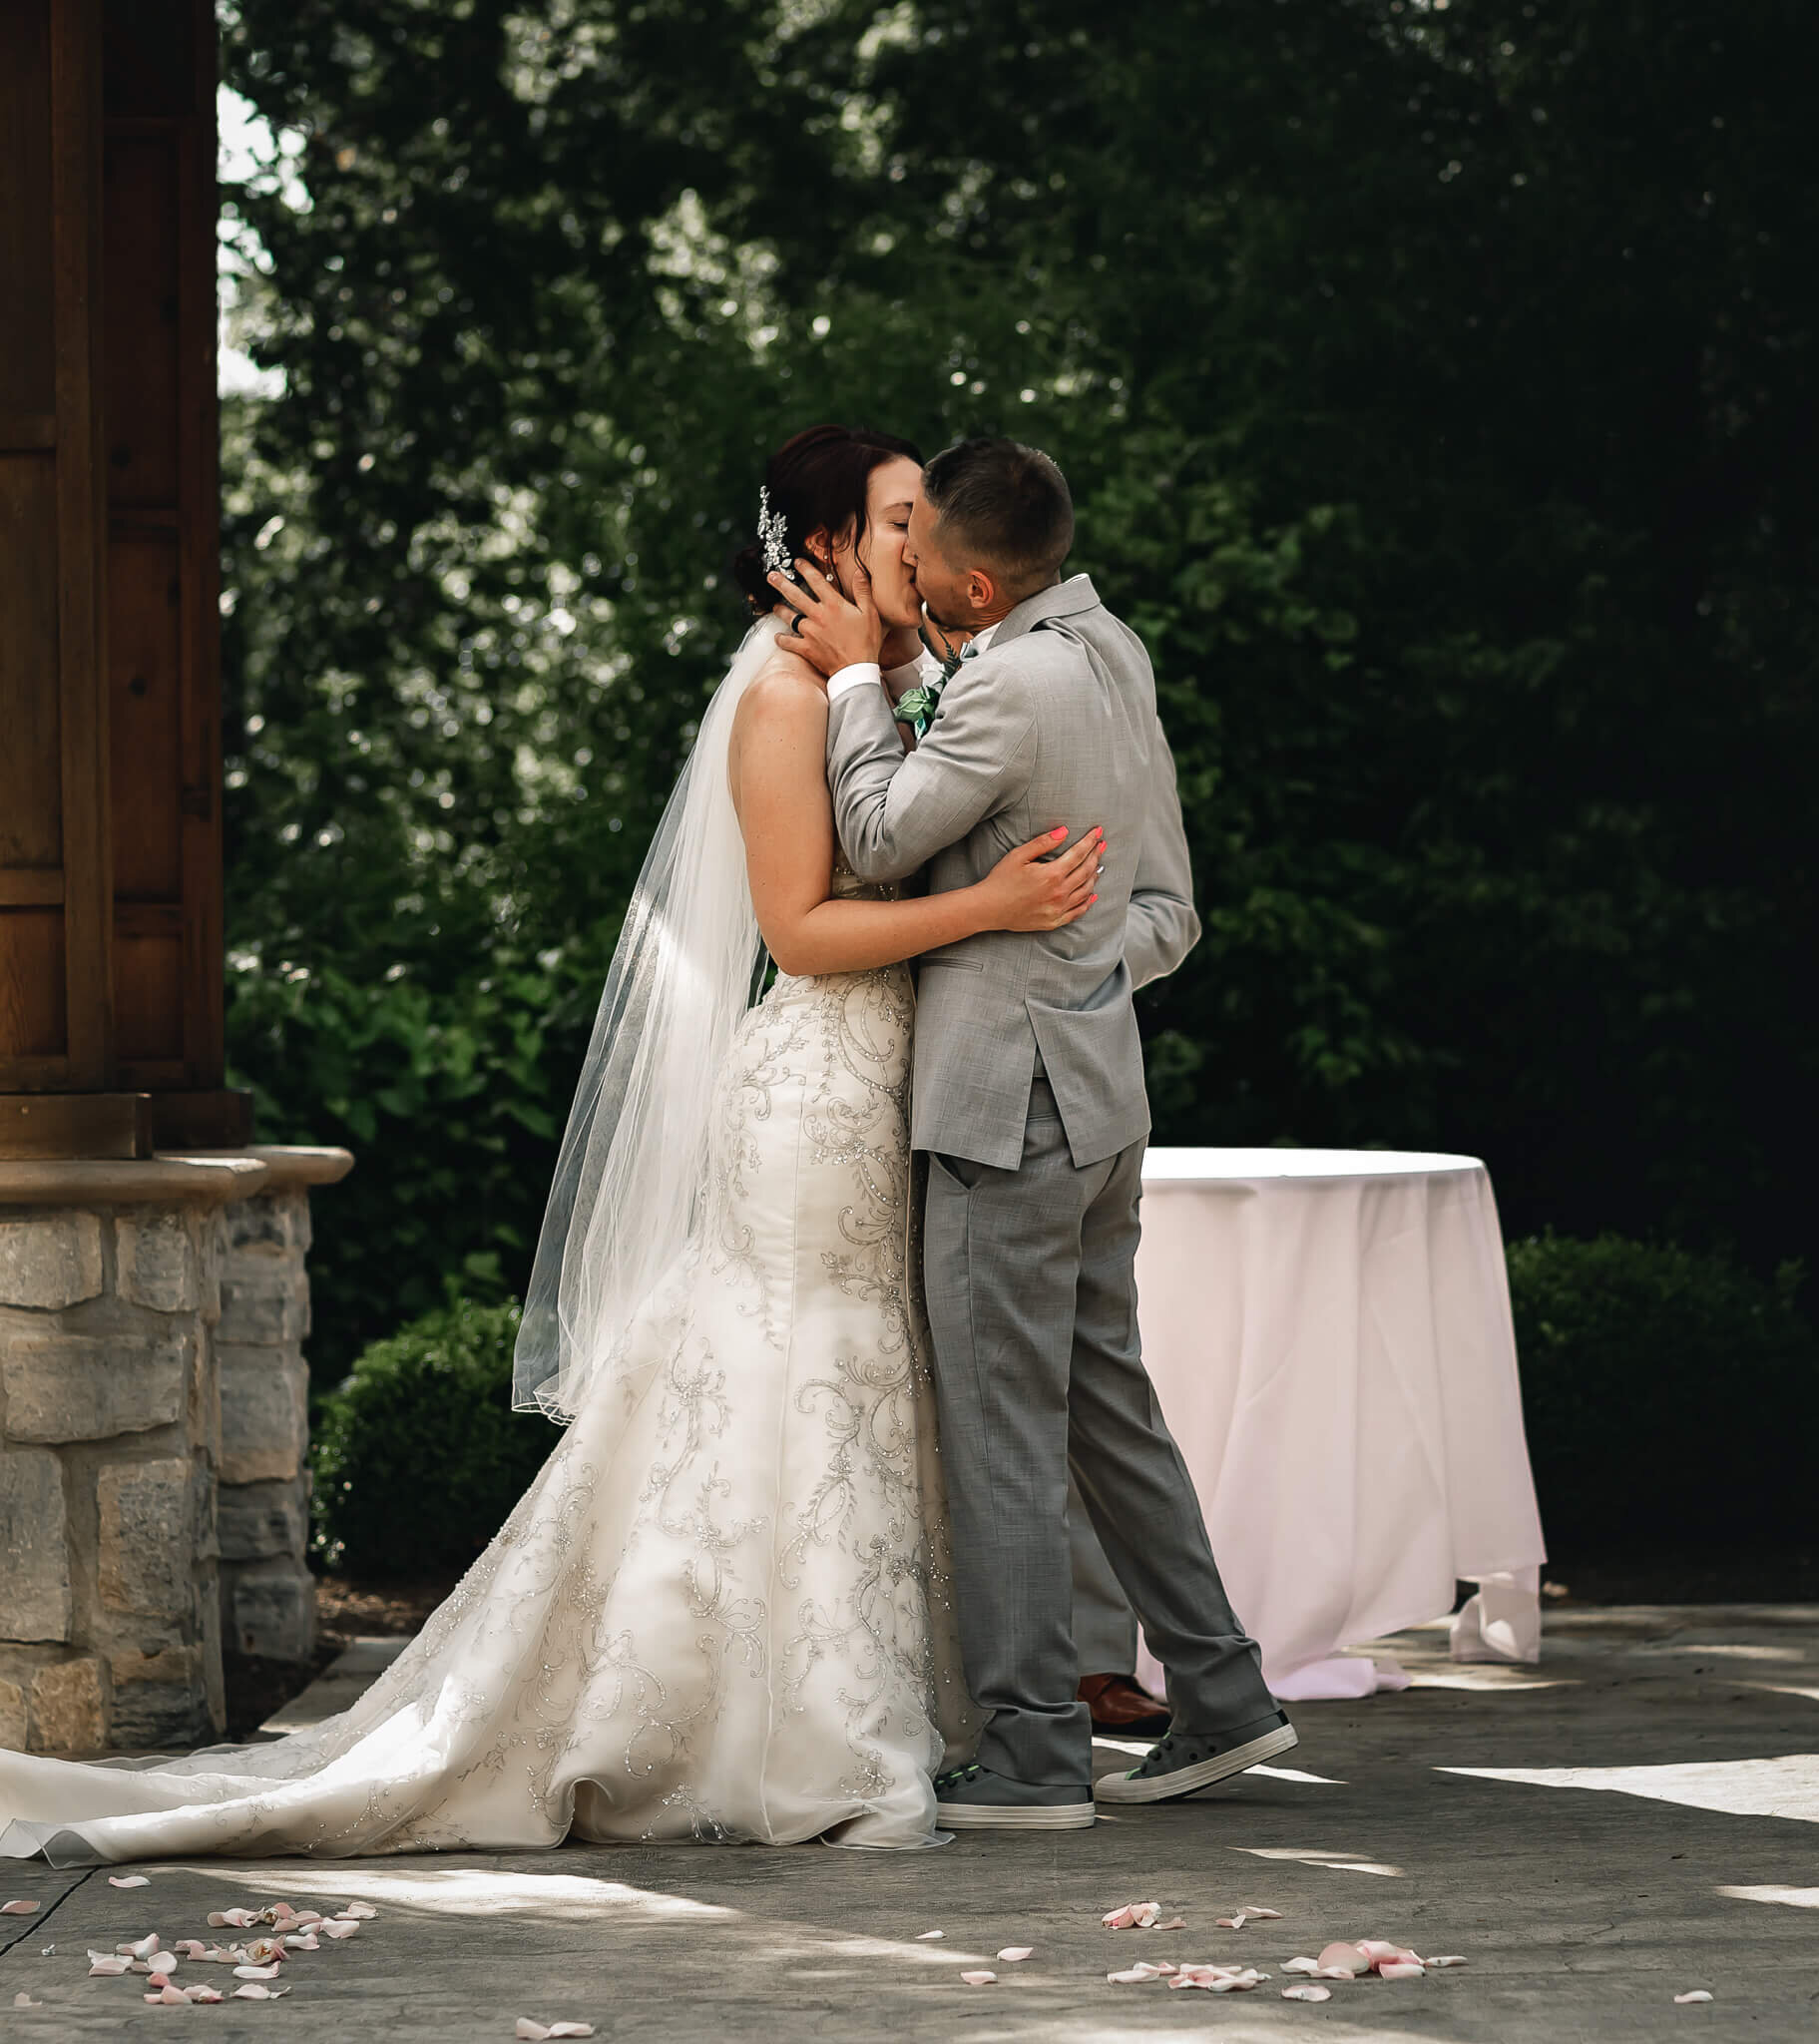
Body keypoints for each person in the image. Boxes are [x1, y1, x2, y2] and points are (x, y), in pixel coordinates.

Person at [0, 425, 1106, 1863]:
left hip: (883, 1081)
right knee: (799, 1374)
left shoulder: (874, 685)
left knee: (849, 1383)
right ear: (825, 545)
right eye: (900, 520)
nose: (925, 542)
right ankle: (777, 1724)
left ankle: (867, 1694)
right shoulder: (780, 698)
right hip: (814, 1093)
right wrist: (991, 910)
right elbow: (800, 932)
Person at [768, 436, 1294, 1830]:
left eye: (922, 550)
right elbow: (1166, 908)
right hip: (1100, 1097)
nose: (906, 566)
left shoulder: (1004, 683)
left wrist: (848, 686)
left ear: (975, 576)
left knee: (999, 1429)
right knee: (1106, 1411)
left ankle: (1032, 1752)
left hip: (1008, 1113)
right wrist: (1076, 987)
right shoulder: (1107, 647)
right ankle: (1225, 1695)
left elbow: (874, 836)